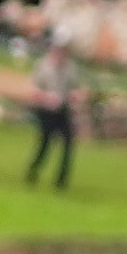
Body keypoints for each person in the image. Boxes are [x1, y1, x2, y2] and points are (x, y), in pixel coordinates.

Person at [23, 27, 84, 189]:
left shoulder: (70, 67)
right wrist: (47, 97)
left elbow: (75, 88)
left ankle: (61, 180)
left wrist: (75, 96)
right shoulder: (43, 66)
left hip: (63, 110)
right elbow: (33, 90)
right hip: (46, 110)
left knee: (68, 144)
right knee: (45, 144)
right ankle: (33, 171)